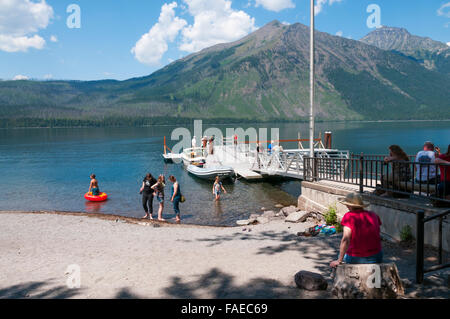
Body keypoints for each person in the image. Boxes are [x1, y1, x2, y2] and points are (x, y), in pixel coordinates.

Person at [330, 193, 383, 268]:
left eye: (347, 204)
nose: (346, 206)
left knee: (340, 255)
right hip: (377, 256)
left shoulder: (349, 216)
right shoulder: (373, 215)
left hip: (356, 257)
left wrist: (339, 260)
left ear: (350, 206)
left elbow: (346, 239)